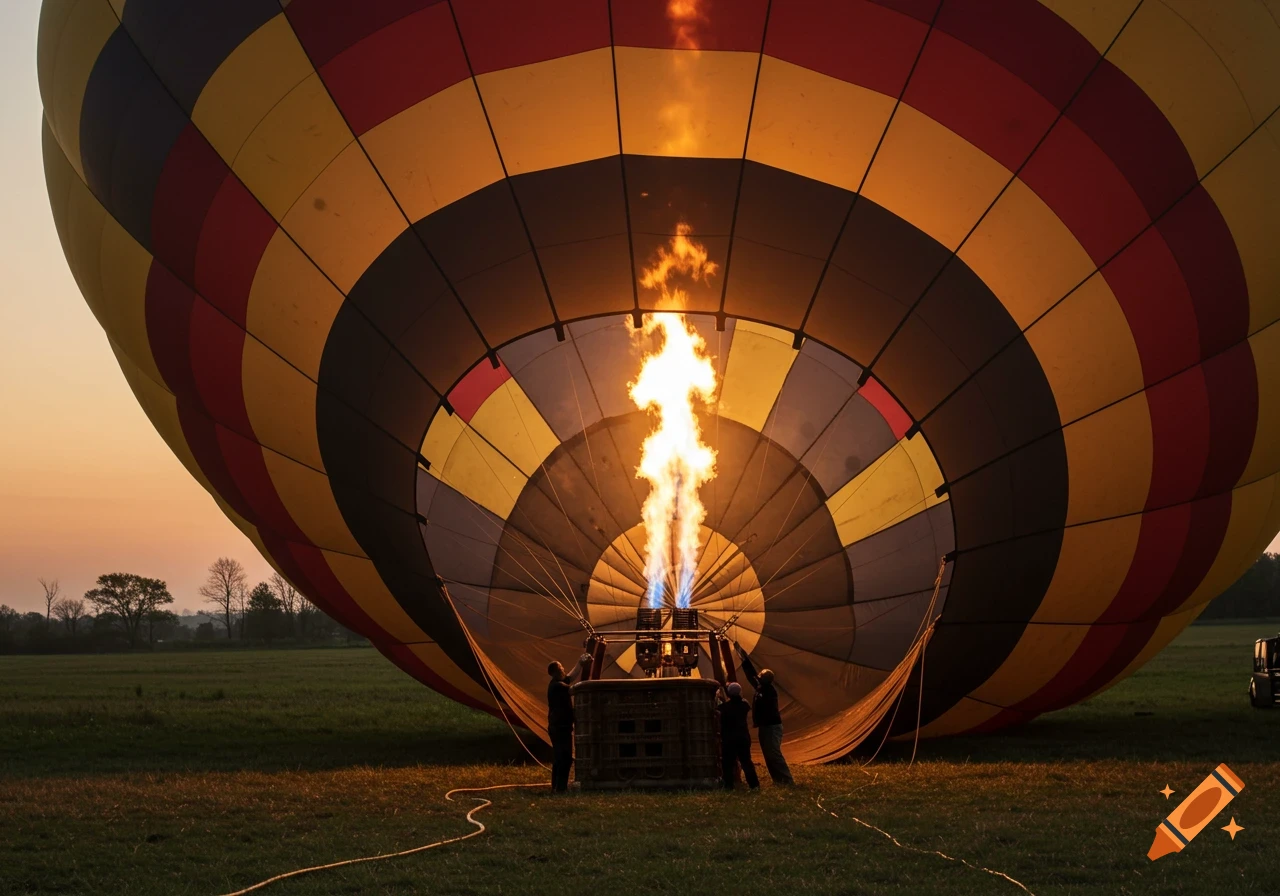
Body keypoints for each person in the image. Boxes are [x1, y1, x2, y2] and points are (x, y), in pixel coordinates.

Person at [735, 642, 794, 785]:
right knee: (769, 755)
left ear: (765, 679)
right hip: (765, 726)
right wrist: (743, 658)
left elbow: (753, 677)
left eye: (761, 675)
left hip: (771, 727)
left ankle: (786, 780)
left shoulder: (769, 691)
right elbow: (751, 674)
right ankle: (778, 780)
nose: (758, 676)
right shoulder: (761, 688)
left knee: (773, 753)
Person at [547, 653, 591, 792]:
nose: (563, 669)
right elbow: (574, 688)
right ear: (554, 672)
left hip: (561, 727)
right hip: (559, 728)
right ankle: (560, 788)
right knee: (564, 757)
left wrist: (580, 663)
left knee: (560, 757)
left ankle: (557, 786)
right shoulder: (557, 686)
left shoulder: (557, 683)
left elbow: (570, 677)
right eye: (560, 668)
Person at [717, 682, 759, 790]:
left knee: (727, 763)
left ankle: (728, 785)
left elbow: (719, 712)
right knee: (746, 761)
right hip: (743, 737)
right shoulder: (745, 705)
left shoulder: (723, 707)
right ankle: (754, 785)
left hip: (729, 739)